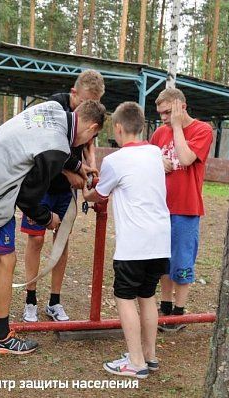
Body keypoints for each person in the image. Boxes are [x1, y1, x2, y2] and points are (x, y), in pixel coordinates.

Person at [0, 99, 106, 354]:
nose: (86, 144)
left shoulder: (53, 109)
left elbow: (40, 142)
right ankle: (1, 336)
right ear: (92, 127)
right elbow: (28, 198)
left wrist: (75, 166)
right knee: (6, 259)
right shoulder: (58, 147)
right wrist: (47, 218)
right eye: (92, 137)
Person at [83, 102, 170, 378]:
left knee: (124, 297)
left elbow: (100, 193)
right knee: (147, 295)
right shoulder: (155, 152)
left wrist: (85, 194)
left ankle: (135, 362)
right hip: (160, 241)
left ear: (118, 128)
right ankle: (149, 355)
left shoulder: (115, 160)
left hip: (134, 245)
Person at [20, 69, 105, 322]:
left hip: (66, 191)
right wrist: (73, 173)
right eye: (86, 101)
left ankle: (54, 301)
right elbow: (46, 149)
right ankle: (30, 299)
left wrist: (91, 165)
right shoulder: (54, 107)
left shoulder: (91, 114)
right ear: (73, 93)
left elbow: (90, 143)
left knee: (62, 241)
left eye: (96, 103)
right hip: (43, 185)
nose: (90, 107)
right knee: (35, 241)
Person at [149, 88, 213, 332]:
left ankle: (179, 312)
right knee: (162, 259)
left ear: (180, 107)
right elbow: (147, 158)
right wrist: (156, 160)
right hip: (160, 208)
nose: (163, 118)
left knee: (182, 261)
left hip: (186, 209)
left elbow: (186, 158)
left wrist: (176, 128)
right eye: (161, 114)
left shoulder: (202, 130)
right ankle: (165, 307)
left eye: (167, 113)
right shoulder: (159, 133)